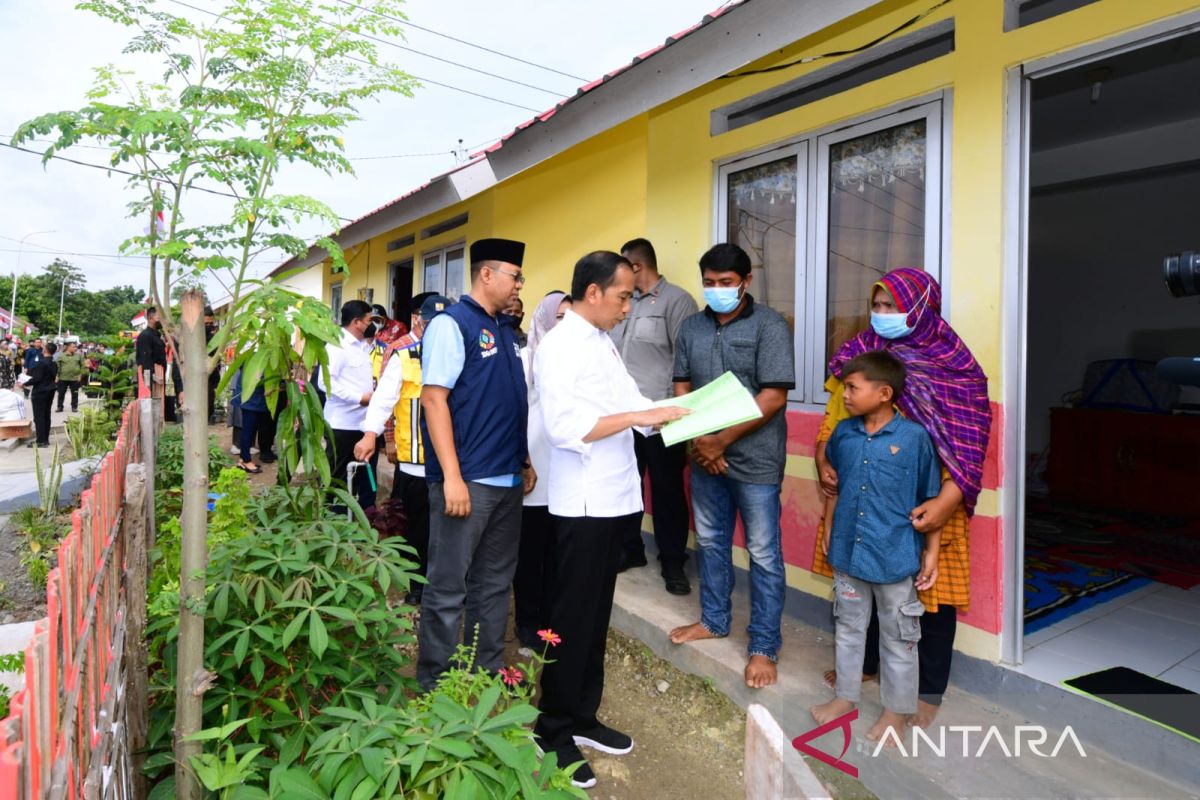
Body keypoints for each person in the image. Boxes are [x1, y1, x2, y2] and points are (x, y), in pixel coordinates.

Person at [532, 251, 689, 789]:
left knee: (596, 615)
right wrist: (644, 415)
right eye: (624, 296)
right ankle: (550, 725)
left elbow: (631, 403)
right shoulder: (559, 348)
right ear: (593, 292)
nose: (630, 305)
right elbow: (564, 427)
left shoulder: (601, 341)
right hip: (581, 503)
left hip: (614, 498)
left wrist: (676, 413)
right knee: (571, 615)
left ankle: (581, 715)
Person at [810, 267, 991, 728]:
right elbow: (833, 422)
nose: (882, 314)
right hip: (861, 498)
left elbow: (967, 442)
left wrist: (947, 501)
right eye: (877, 305)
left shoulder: (955, 366)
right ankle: (864, 673)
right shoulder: (861, 357)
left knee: (927, 602)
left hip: (932, 499)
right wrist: (822, 461)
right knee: (857, 597)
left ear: (922, 308)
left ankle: (925, 693)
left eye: (893, 305)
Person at [668, 243, 795, 690]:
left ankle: (763, 645)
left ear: (746, 282)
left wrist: (719, 441)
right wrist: (697, 445)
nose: (717, 290)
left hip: (754, 461)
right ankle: (714, 620)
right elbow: (682, 386)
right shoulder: (690, 327)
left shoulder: (770, 326)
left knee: (763, 553)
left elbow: (773, 396)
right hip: (704, 459)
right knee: (712, 542)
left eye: (725, 283)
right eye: (709, 282)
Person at [416, 237, 535, 691]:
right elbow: (434, 400)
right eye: (515, 275)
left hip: (505, 478)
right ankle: (437, 686)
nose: (519, 284)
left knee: (494, 584)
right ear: (487, 274)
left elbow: (507, 401)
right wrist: (451, 477)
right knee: (448, 588)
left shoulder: (504, 330)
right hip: (467, 481)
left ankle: (483, 674)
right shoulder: (453, 324)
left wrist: (522, 459)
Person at [809, 351, 942, 742]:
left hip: (894, 558)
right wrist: (830, 526)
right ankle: (845, 698)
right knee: (849, 628)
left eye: (852, 387)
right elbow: (833, 485)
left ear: (884, 393)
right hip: (849, 554)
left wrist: (930, 552)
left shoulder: (914, 439)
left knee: (899, 637)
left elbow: (930, 500)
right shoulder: (844, 434)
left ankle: (896, 711)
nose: (845, 395)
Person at [609, 237, 699, 594]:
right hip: (624, 417)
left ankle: (673, 561)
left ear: (635, 267)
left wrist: (681, 415)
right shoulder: (623, 305)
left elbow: (686, 360)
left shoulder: (677, 301)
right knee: (626, 485)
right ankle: (630, 550)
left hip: (663, 418)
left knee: (666, 491)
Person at [354, 292, 453, 606]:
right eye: (429, 322)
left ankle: (441, 584)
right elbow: (383, 399)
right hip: (414, 461)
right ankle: (416, 586)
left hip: (449, 461)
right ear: (419, 320)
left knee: (444, 529)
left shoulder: (456, 352)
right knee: (414, 528)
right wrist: (373, 435)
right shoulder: (403, 354)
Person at [513, 289, 571, 653]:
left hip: (564, 470)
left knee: (558, 552)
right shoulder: (524, 358)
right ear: (545, 320)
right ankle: (527, 622)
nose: (565, 327)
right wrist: (524, 462)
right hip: (533, 466)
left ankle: (552, 619)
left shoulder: (575, 362)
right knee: (530, 552)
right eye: (560, 319)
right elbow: (512, 414)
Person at [324, 299, 378, 510]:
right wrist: (359, 398)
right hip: (342, 425)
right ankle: (334, 522)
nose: (372, 324)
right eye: (369, 320)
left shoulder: (363, 347)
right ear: (356, 322)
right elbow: (327, 384)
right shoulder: (337, 346)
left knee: (363, 475)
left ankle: (365, 517)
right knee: (339, 478)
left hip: (364, 425)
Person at [26, 342, 58, 448]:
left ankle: (40, 440)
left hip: (40, 391)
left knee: (39, 416)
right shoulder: (54, 362)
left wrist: (24, 383)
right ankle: (45, 439)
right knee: (46, 415)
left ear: (46, 350)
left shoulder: (42, 363)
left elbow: (37, 378)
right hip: (50, 390)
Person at [135, 308, 167, 390]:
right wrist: (147, 384)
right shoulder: (145, 336)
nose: (161, 320)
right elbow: (145, 361)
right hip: (150, 380)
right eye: (158, 317)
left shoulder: (158, 335)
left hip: (160, 377)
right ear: (150, 319)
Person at [56, 342, 84, 413]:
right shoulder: (61, 356)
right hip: (63, 378)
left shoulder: (78, 356)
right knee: (61, 393)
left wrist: (80, 375)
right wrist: (56, 376)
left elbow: (82, 366)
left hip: (75, 378)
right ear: (68, 347)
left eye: (75, 347)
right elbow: (57, 366)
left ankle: (74, 407)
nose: (75, 348)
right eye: (73, 347)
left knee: (75, 393)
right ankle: (60, 406)